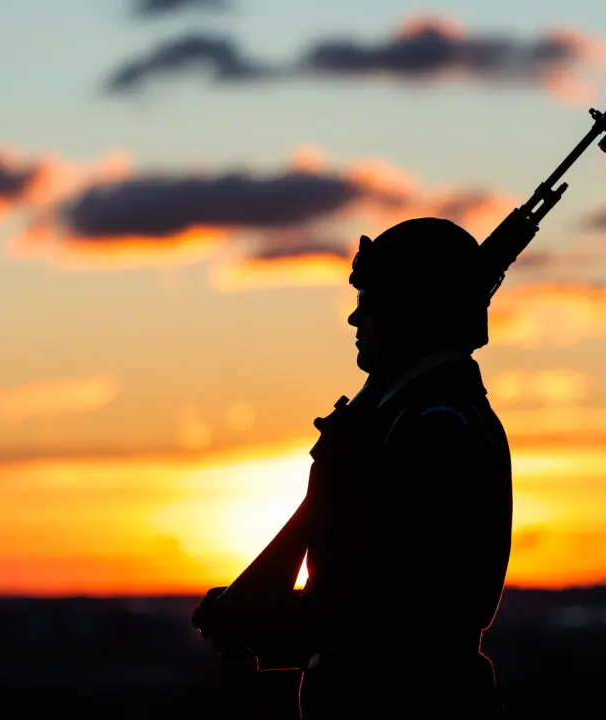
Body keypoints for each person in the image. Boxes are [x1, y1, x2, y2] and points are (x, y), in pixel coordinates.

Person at [193, 217, 514, 719]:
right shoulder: (401, 417)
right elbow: (365, 588)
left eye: (369, 301)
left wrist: (262, 617)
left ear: (411, 309)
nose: (354, 320)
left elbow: (409, 610)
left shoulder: (437, 425)